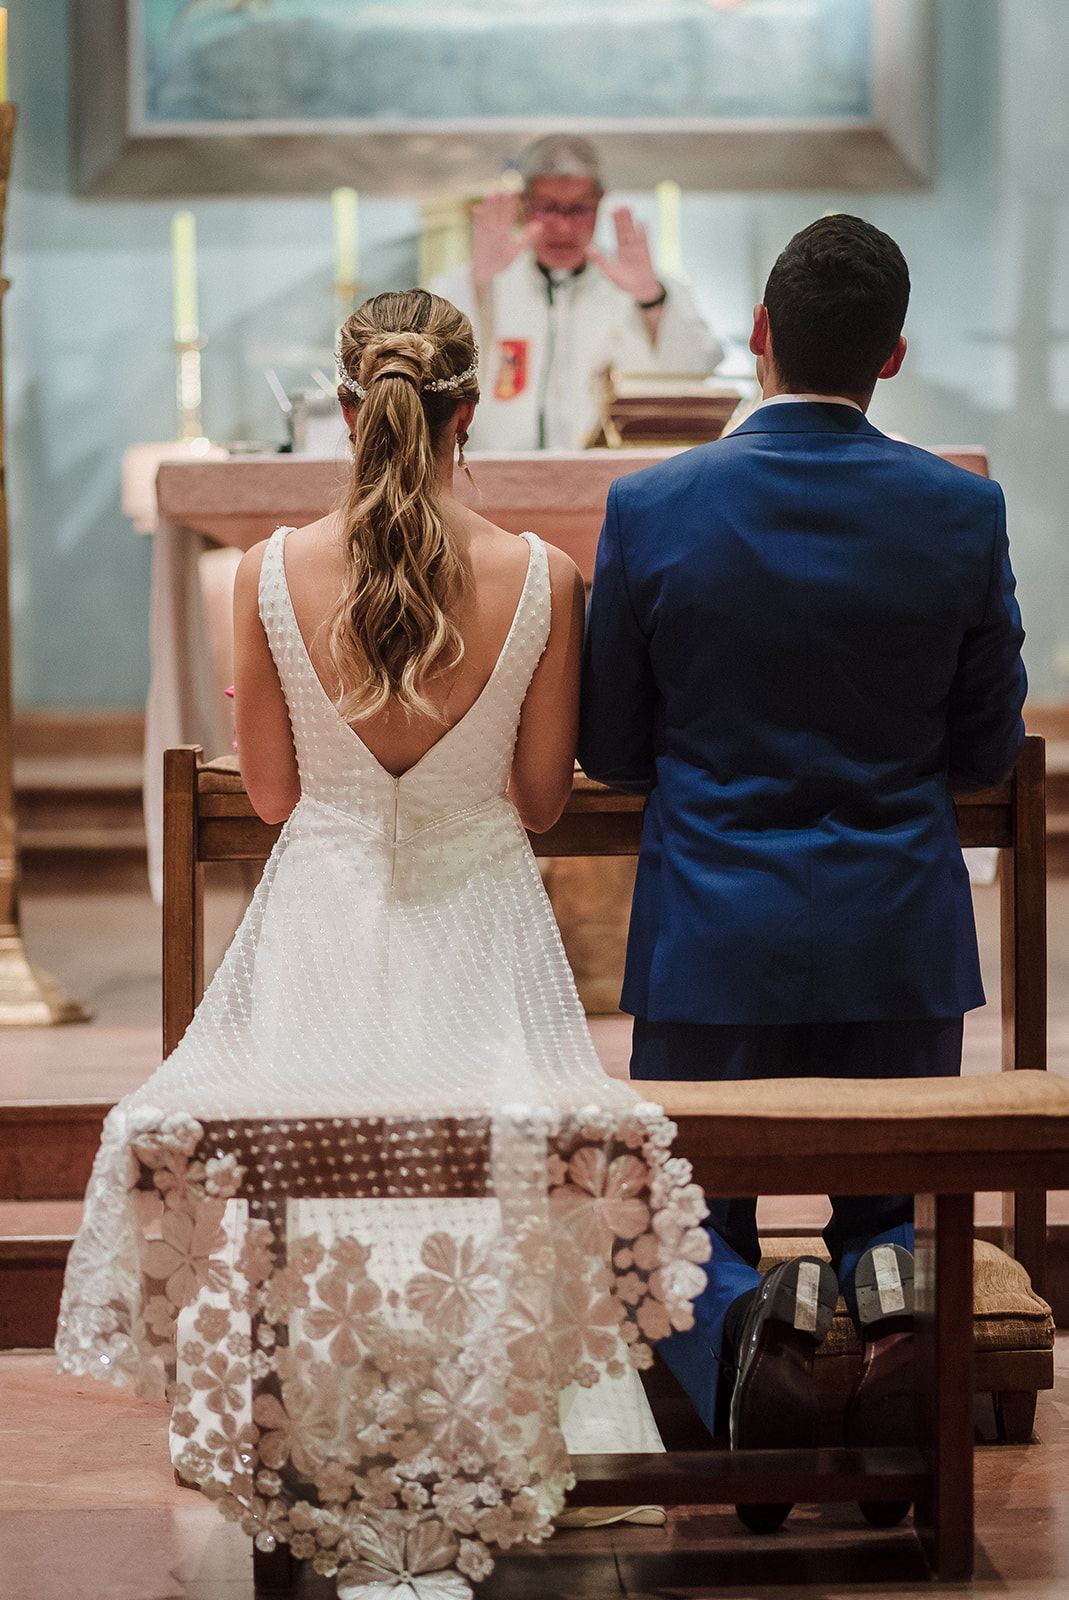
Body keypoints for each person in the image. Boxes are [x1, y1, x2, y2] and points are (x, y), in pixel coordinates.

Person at [56, 289, 709, 1589]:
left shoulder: (263, 571)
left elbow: (282, 799)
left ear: (350, 411)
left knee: (320, 1150)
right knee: (484, 1142)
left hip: (320, 927)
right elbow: (534, 801)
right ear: (473, 411)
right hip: (481, 930)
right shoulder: (541, 577)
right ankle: (480, 1426)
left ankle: (325, 1420)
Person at [579, 215, 1027, 1532]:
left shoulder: (654, 502)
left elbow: (610, 747)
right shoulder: (959, 505)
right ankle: (889, 1336)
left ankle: (742, 1352)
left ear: (760, 337)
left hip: (711, 932)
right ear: (893, 355)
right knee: (888, 1196)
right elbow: (986, 741)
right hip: (895, 920)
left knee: (690, 1214)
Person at [432, 134, 724, 450]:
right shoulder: (489, 279)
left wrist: (651, 299)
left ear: (599, 201)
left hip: (612, 480)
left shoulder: (634, 282)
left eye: (578, 209)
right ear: (525, 206)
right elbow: (433, 368)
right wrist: (477, 283)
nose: (563, 227)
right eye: (548, 208)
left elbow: (698, 368)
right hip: (498, 478)